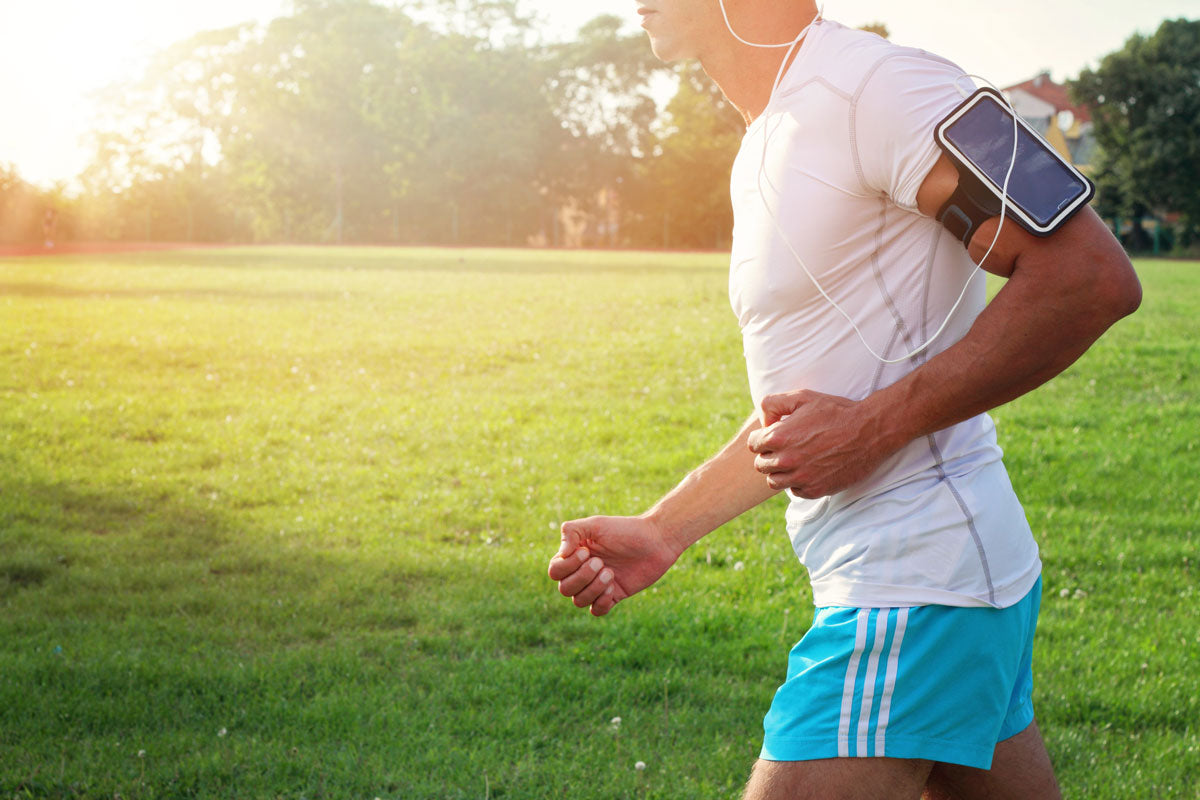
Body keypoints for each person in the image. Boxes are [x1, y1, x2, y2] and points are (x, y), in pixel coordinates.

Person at [547, 2, 1141, 799]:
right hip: (945, 581)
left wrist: (874, 427)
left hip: (916, 581)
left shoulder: (890, 88)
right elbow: (816, 407)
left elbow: (1090, 278)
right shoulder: (771, 132)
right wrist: (666, 529)